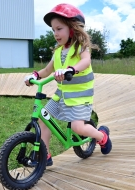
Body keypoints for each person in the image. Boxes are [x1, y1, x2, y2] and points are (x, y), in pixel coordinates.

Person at [24, 3, 112, 166]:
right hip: (61, 96)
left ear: (71, 29)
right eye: (53, 30)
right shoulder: (57, 52)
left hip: (79, 97)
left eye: (59, 29)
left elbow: (86, 61)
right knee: (43, 118)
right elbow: (47, 70)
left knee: (78, 128)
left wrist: (71, 69)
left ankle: (102, 136)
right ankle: (46, 155)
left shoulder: (80, 47)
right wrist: (34, 75)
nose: (55, 34)